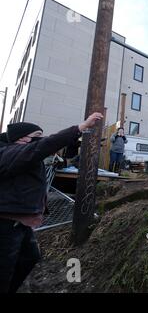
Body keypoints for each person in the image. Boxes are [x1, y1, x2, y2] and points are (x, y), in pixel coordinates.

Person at [0, 113, 104, 293]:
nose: (41, 140)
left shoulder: (22, 156)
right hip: (6, 224)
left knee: (30, 257)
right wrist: (80, 127)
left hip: (21, 222)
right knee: (3, 271)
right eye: (37, 137)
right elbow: (45, 145)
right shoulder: (10, 153)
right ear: (23, 139)